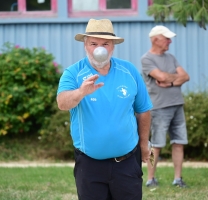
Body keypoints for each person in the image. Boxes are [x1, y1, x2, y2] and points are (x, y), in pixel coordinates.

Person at [56, 18, 153, 200]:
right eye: (94, 43)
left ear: (113, 46)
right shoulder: (73, 73)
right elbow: (62, 103)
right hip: (89, 164)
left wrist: (144, 144)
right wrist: (81, 92)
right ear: (86, 45)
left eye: (105, 44)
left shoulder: (129, 71)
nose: (99, 49)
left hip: (127, 162)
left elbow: (143, 110)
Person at [141, 25, 190, 188]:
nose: (170, 41)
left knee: (179, 142)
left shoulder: (171, 57)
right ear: (155, 40)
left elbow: (186, 76)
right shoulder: (146, 59)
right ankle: (150, 179)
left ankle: (178, 179)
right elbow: (160, 76)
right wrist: (175, 78)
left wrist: (168, 82)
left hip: (177, 104)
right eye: (166, 38)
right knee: (156, 144)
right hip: (159, 107)